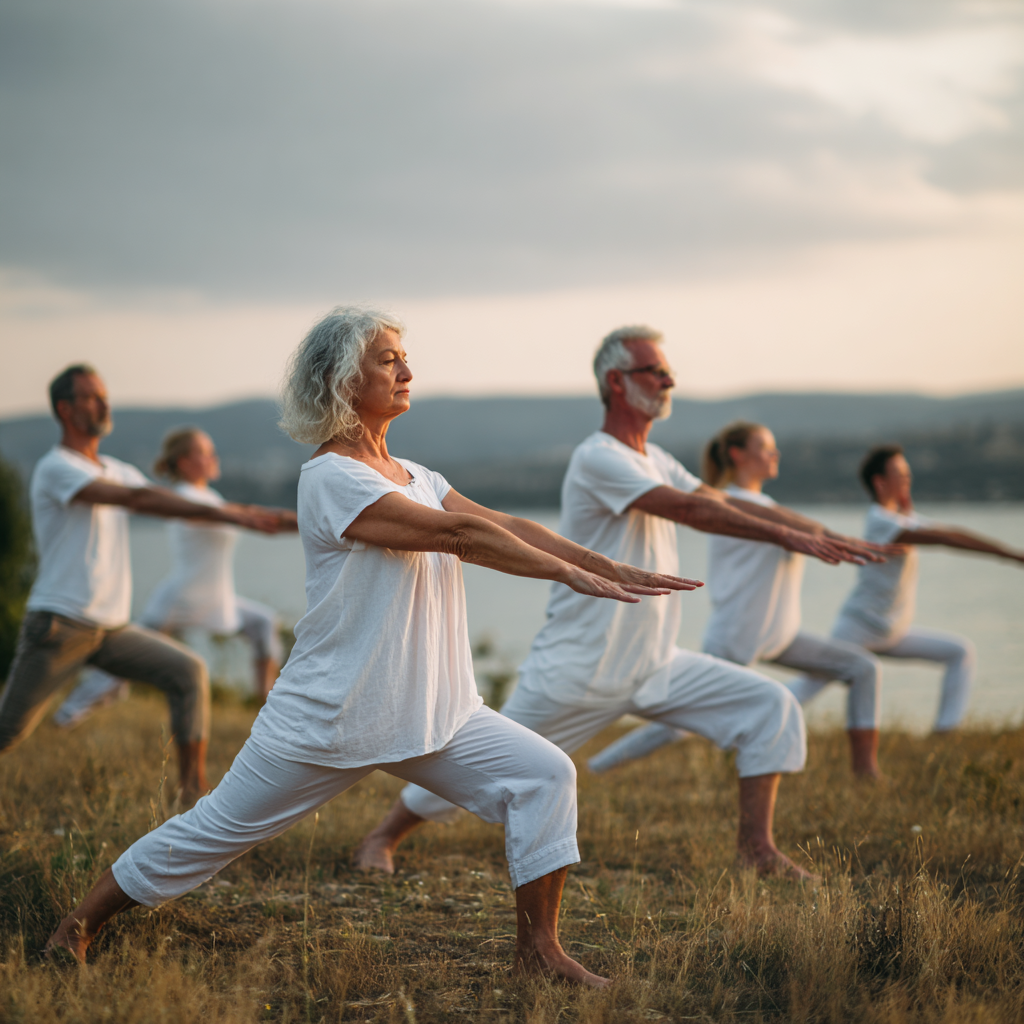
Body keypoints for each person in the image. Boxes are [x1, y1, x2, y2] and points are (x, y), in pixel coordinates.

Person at [46, 308, 693, 985]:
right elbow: (458, 537)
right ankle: (76, 927)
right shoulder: (329, 477)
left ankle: (539, 953)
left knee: (545, 775)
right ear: (339, 379)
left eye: (403, 357)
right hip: (330, 715)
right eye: (388, 359)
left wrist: (606, 561)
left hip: (432, 710)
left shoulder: (414, 472)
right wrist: (567, 573)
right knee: (212, 833)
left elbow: (496, 521)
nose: (406, 370)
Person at [353, 325, 888, 884]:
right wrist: (789, 537)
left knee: (770, 707)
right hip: (579, 667)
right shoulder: (598, 457)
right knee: (484, 765)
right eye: (654, 371)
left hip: (655, 662)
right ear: (616, 381)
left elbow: (720, 498)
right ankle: (382, 836)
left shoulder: (653, 454)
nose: (668, 380)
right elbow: (688, 510)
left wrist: (819, 532)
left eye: (666, 371)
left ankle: (757, 849)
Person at [0, 365, 285, 801]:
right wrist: (229, 514)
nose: (103, 403)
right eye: (91, 397)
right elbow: (136, 499)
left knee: (188, 671)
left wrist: (293, 520)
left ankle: (193, 794)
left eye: (103, 395)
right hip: (61, 626)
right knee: (8, 731)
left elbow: (171, 503)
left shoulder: (115, 467)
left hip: (110, 629)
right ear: (65, 409)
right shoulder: (57, 467)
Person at [587, 422, 885, 777]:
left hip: (778, 634)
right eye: (764, 447)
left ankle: (866, 770)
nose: (774, 454)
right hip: (736, 634)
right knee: (675, 724)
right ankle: (598, 767)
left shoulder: (761, 503)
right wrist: (834, 537)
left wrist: (833, 537)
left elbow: (791, 522)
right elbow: (790, 524)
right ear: (737, 455)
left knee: (862, 668)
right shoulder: (733, 503)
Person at [786, 444, 1024, 770]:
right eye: (901, 474)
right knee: (807, 687)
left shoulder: (900, 518)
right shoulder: (881, 521)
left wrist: (907, 510)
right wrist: (1009, 554)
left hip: (892, 632)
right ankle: (744, 721)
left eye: (908, 474)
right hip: (859, 628)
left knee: (960, 653)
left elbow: (941, 531)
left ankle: (945, 735)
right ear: (880, 483)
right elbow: (947, 537)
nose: (908, 479)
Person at [54, 427, 293, 726]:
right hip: (182, 597)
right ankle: (67, 714)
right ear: (183, 462)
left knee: (264, 624)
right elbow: (234, 513)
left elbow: (243, 512)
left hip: (213, 596)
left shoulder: (208, 494)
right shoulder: (184, 496)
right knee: (126, 661)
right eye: (204, 452)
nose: (213, 457)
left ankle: (266, 712)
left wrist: (308, 523)